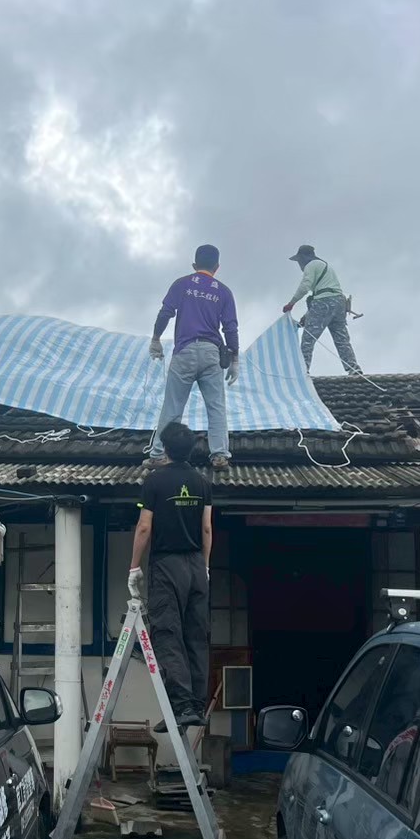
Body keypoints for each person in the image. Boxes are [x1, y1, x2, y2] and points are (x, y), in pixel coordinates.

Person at [128, 421, 212, 731]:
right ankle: (196, 705)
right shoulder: (202, 483)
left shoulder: (155, 481)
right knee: (196, 634)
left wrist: (134, 567)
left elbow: (144, 527)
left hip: (167, 564)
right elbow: (207, 528)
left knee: (167, 632)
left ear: (164, 449)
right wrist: (205, 566)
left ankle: (182, 705)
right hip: (196, 564)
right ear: (190, 450)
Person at [147, 243, 239, 472]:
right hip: (211, 353)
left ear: (194, 264)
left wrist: (156, 338)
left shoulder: (182, 284)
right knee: (216, 407)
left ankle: (158, 454)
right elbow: (230, 327)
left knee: (172, 407)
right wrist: (235, 358)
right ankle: (219, 456)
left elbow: (165, 313)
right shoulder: (224, 292)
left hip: (185, 351)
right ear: (217, 267)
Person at [283, 244, 361, 376]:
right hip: (339, 303)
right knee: (341, 339)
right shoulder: (326, 267)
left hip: (323, 302)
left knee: (308, 338)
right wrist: (306, 316)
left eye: (299, 260)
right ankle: (354, 368)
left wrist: (291, 303)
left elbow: (306, 286)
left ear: (303, 257)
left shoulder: (311, 265)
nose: (299, 264)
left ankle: (302, 371)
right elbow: (324, 293)